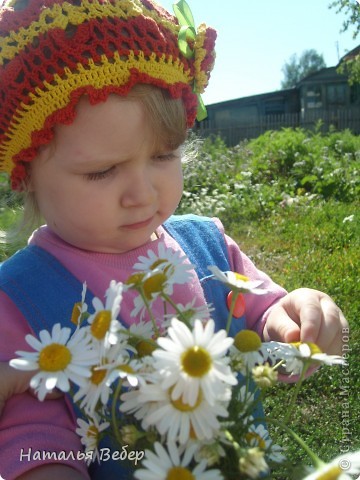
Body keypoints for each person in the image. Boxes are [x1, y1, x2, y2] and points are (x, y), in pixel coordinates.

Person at [0, 0, 347, 478]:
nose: (142, 194)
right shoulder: (20, 297)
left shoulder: (209, 246)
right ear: (27, 177)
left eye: (164, 155)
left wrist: (297, 321)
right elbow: (35, 438)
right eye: (102, 171)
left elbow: (267, 329)